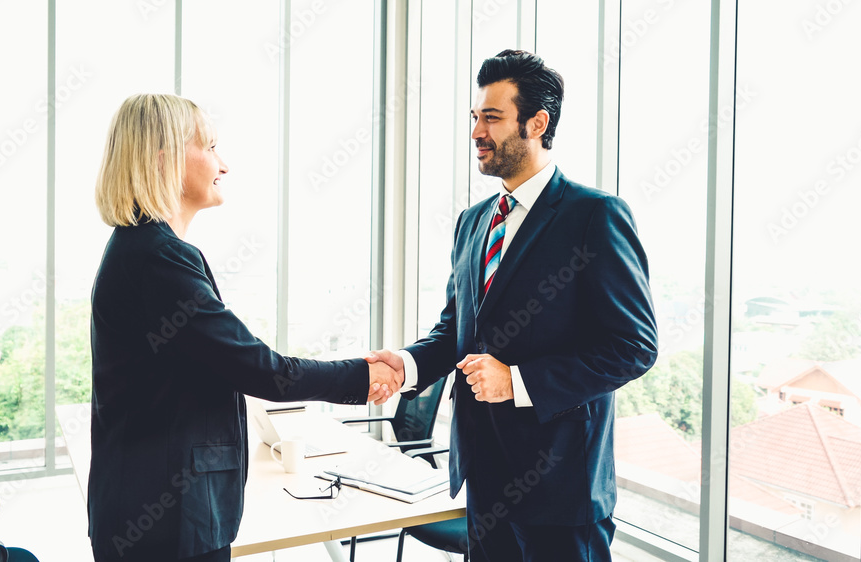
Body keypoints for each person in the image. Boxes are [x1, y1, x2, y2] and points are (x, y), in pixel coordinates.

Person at [368, 50, 658, 561]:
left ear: (536, 123)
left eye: (493, 118)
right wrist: (408, 363)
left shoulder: (595, 216)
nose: (477, 131)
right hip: (483, 482)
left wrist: (518, 381)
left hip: (563, 490)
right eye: (475, 117)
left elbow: (633, 347)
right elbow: (456, 330)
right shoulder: (472, 222)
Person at [88, 93, 401, 562]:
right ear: (165, 159)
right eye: (211, 147)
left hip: (151, 512)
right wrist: (363, 374)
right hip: (164, 523)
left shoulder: (143, 250)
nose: (224, 164)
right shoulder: (157, 258)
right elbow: (260, 370)